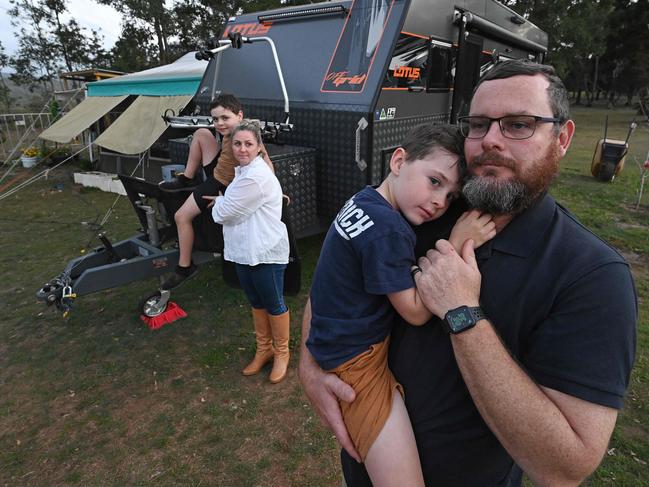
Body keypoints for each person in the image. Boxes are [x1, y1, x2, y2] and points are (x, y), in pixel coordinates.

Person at [299, 59, 637, 486]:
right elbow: (339, 275)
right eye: (479, 124)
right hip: (363, 466)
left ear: (562, 137)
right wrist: (311, 366)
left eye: (518, 124)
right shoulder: (425, 206)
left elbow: (566, 466)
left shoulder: (592, 275)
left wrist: (461, 313)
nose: (489, 141)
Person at [306, 123, 495, 486]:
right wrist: (455, 242)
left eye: (452, 196)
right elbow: (416, 311)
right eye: (435, 181)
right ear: (398, 161)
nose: (441, 201)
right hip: (358, 368)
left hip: (338, 350)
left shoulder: (363, 200)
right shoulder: (388, 229)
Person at [159, 93, 273, 289]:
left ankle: (185, 266)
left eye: (225, 118)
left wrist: (273, 191)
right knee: (202, 133)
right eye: (216, 119)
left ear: (239, 115)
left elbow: (266, 164)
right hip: (220, 168)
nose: (219, 124)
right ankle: (187, 177)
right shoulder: (235, 128)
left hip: (221, 182)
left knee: (181, 216)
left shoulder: (245, 136)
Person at [211, 120, 291, 384]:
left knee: (274, 303)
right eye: (237, 144)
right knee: (257, 303)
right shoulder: (243, 172)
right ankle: (264, 349)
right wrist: (226, 202)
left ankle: (281, 353)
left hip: (264, 251)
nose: (242, 149)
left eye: (248, 144)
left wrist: (221, 202)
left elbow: (223, 214)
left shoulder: (256, 177)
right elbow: (233, 209)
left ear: (259, 147)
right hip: (245, 251)